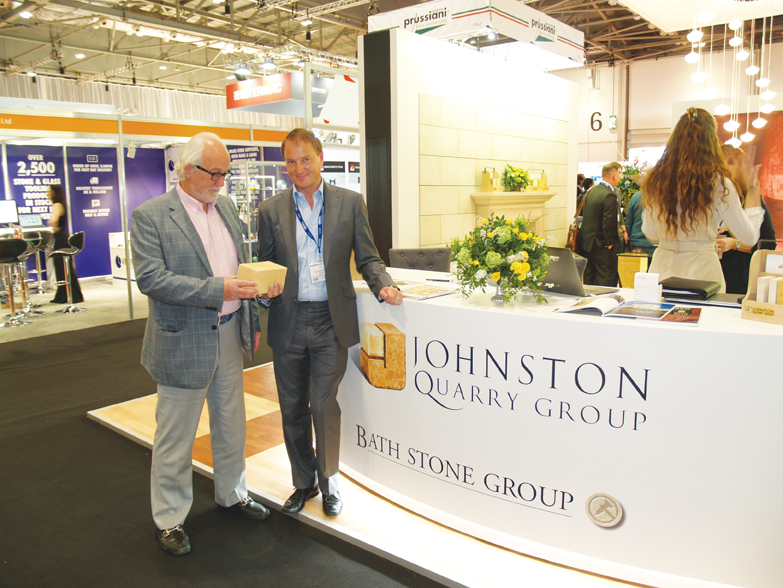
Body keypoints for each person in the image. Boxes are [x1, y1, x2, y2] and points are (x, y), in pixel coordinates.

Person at [130, 132, 282, 556]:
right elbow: (152, 280)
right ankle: (170, 518)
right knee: (175, 436)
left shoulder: (228, 207)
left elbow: (239, 266)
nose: (221, 182)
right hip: (184, 341)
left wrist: (254, 295)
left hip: (230, 332)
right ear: (187, 169)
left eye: (225, 174)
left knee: (231, 423)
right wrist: (220, 290)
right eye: (214, 173)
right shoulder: (152, 215)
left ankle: (233, 493)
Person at [256, 128, 403, 518]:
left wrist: (383, 285)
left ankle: (330, 481)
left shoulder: (349, 203)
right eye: (291, 161)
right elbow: (263, 265)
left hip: (329, 321)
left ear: (321, 159)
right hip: (288, 320)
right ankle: (302, 483)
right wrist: (261, 291)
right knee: (291, 408)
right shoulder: (270, 211)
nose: (299, 168)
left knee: (323, 406)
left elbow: (368, 257)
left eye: (306, 159)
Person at [641, 107, 763, 292]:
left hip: (662, 272)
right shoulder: (718, 183)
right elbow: (749, 236)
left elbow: (650, 232)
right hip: (703, 275)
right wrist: (753, 197)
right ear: (712, 141)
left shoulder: (658, 181)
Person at [716, 145, 776, 294]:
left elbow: (768, 243)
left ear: (740, 168)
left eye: (730, 162)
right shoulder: (705, 198)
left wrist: (735, 244)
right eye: (719, 161)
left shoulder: (751, 200)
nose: (723, 167)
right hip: (707, 274)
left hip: (739, 281)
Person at [579, 163, 622, 286]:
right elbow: (608, 222)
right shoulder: (609, 194)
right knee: (606, 275)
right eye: (619, 174)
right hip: (601, 244)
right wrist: (609, 243)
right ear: (614, 176)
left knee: (589, 276)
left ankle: (587, 301)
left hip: (587, 242)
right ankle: (605, 302)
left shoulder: (592, 190)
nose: (620, 177)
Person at [47, 184, 84, 304]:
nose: (47, 194)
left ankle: (64, 296)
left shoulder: (56, 205)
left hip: (60, 238)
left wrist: (51, 224)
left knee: (61, 267)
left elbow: (54, 222)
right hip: (63, 237)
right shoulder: (62, 204)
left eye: (49, 191)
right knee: (66, 267)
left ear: (54, 193)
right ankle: (73, 295)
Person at [624, 190, 657, 258]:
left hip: (638, 244)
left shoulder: (636, 196)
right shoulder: (664, 197)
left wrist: (630, 239)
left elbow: (628, 222)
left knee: (638, 268)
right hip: (657, 244)